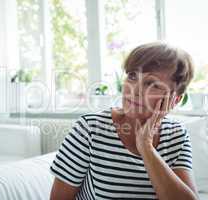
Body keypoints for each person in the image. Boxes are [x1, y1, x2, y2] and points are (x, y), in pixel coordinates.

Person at [49, 42, 199, 200]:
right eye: (132, 76)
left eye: (152, 84)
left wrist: (146, 147)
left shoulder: (176, 136)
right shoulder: (89, 129)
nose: (134, 91)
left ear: (174, 100)